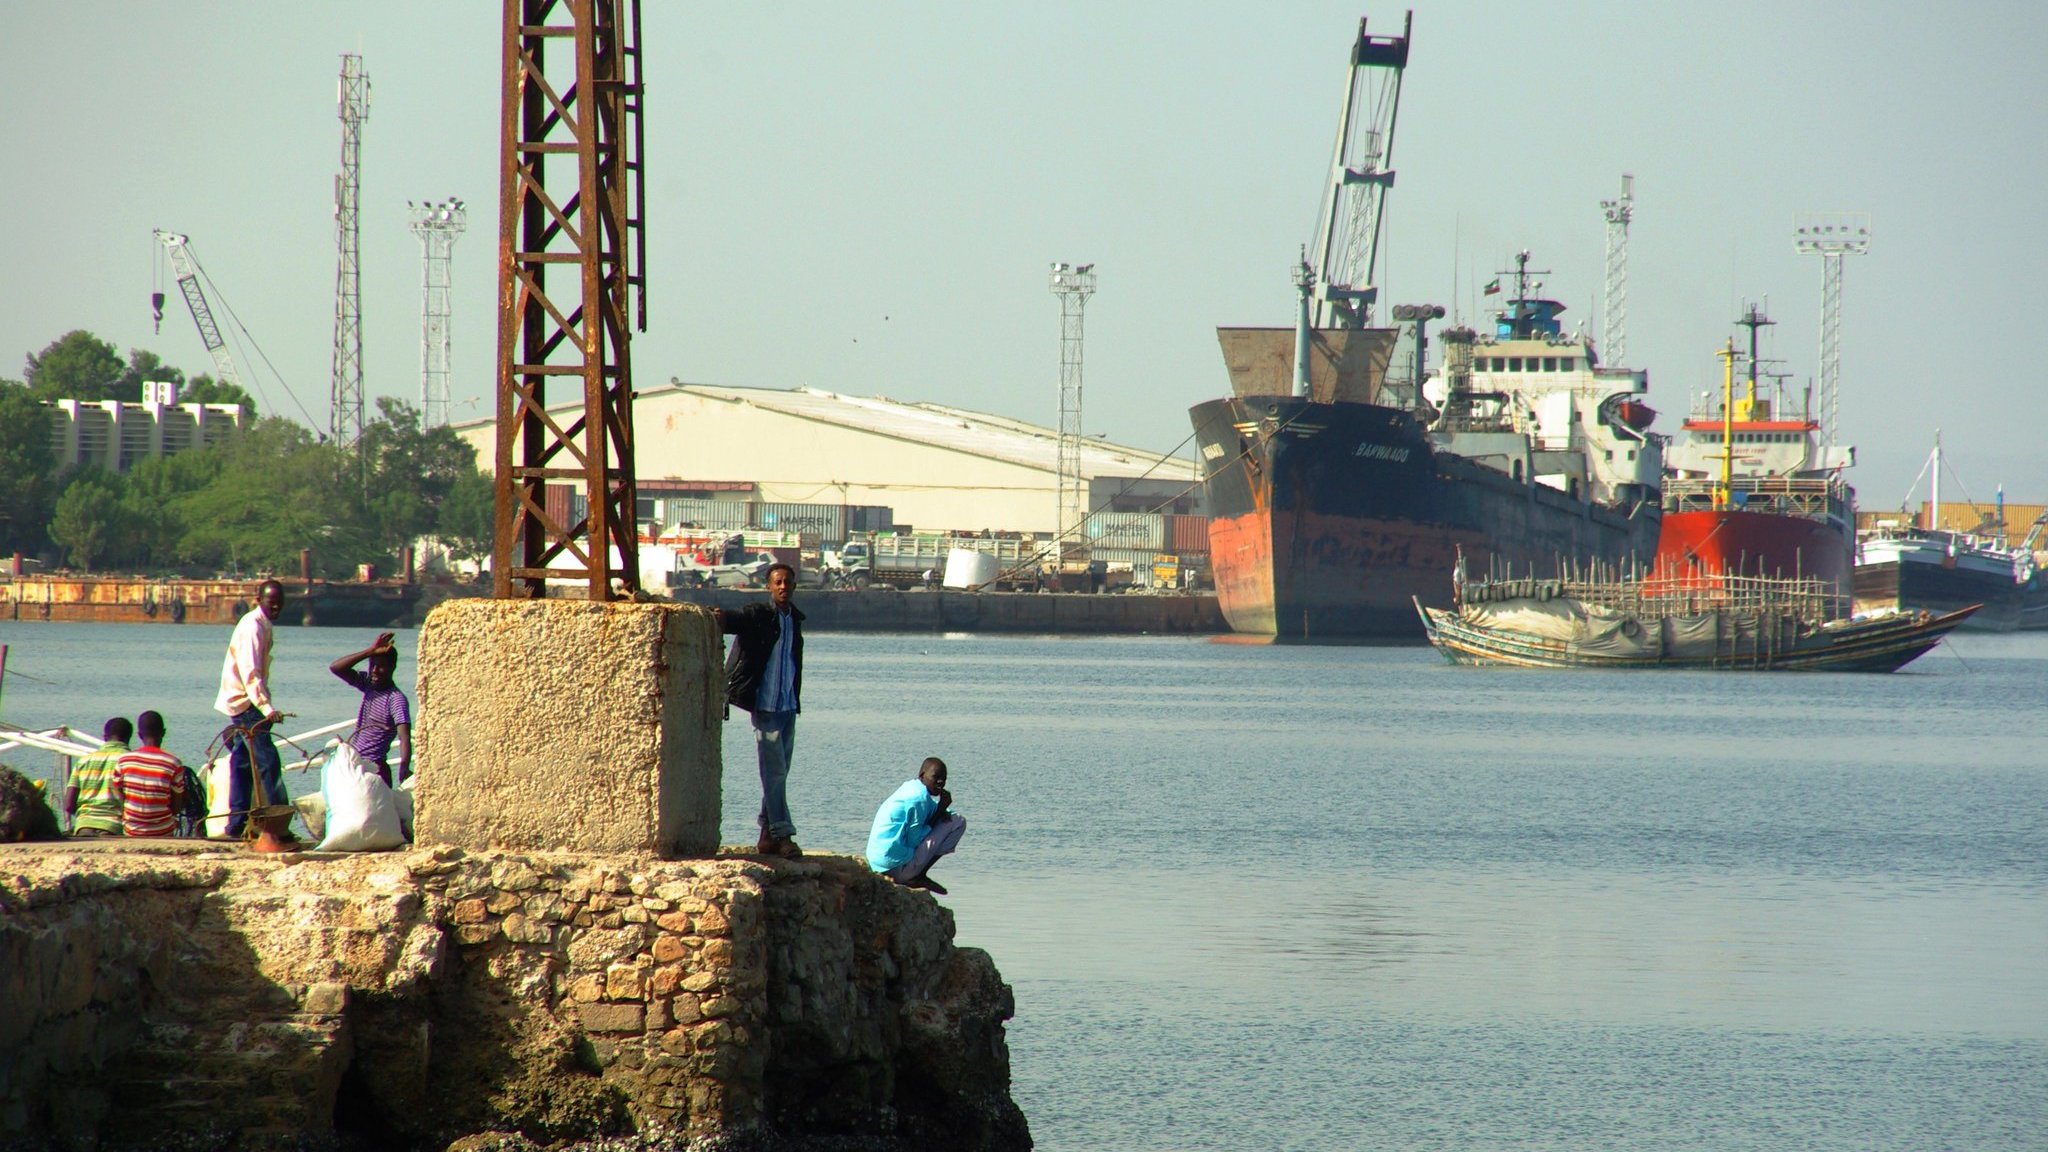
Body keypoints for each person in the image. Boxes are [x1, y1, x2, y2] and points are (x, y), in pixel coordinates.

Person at [714, 562, 804, 858]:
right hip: (765, 705)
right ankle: (783, 834)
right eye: (777, 582)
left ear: (794, 586)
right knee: (774, 773)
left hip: (788, 706)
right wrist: (719, 618)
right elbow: (735, 621)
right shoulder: (759, 615)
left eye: (787, 582)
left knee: (779, 775)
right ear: (768, 586)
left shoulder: (794, 620)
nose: (783, 587)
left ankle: (766, 835)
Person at [216, 579, 287, 838]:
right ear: (259, 599)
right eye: (271, 601)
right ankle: (277, 825)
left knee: (243, 763)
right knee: (268, 761)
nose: (276, 606)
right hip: (246, 704)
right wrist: (267, 708)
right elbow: (251, 674)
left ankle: (234, 827)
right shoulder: (252, 627)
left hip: (246, 701)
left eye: (280, 601)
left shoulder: (263, 625)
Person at [865, 756, 965, 894]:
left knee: (951, 819)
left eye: (944, 779)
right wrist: (940, 810)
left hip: (877, 864)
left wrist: (942, 810)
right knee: (958, 822)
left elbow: (932, 810)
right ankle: (917, 875)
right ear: (922, 775)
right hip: (895, 869)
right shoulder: (919, 799)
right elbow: (915, 841)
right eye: (936, 777)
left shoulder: (912, 788)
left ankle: (915, 873)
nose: (941, 782)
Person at [330, 631, 413, 787]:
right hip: (355, 764)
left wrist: (404, 768)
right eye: (372, 665)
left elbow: (404, 737)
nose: (374, 671)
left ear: (392, 668)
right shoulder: (368, 684)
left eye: (381, 667)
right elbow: (336, 668)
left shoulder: (395, 699)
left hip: (375, 769)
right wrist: (370, 651)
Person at [113, 711, 186, 839]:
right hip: (162, 831)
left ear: (139, 735)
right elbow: (177, 807)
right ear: (163, 733)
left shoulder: (124, 761)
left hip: (132, 830)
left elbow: (119, 797)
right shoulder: (174, 763)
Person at [64, 717, 132, 837]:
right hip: (114, 826)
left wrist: (86, 816)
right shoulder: (129, 761)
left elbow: (68, 804)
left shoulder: (83, 761)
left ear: (105, 737)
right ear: (128, 738)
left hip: (83, 825)